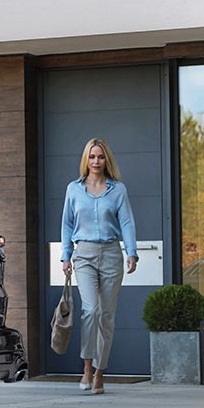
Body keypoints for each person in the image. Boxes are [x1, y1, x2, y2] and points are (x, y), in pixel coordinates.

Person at [60, 138, 138, 394]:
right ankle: (86, 367)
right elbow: (67, 225)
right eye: (92, 157)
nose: (96, 161)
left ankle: (100, 373)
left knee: (106, 316)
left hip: (111, 255)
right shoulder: (73, 189)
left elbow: (126, 222)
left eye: (100, 157)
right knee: (91, 310)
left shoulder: (118, 190)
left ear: (107, 160)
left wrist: (132, 252)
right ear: (86, 159)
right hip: (84, 255)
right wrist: (66, 255)